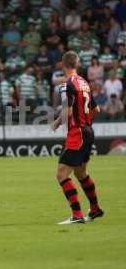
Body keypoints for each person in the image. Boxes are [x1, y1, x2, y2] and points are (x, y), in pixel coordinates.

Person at [51, 51, 104, 225]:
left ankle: (77, 214)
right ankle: (95, 209)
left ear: (62, 64)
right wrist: (85, 121)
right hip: (88, 131)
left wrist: (58, 122)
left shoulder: (67, 84)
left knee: (61, 174)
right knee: (81, 173)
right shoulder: (84, 83)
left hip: (78, 133)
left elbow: (66, 110)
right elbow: (97, 110)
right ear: (77, 64)